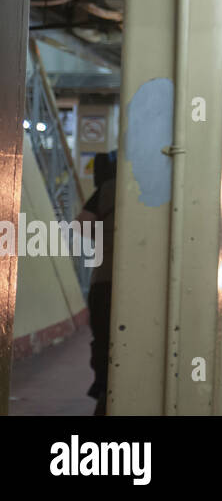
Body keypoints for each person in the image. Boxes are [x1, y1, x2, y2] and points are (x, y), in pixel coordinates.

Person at [76, 151, 117, 415]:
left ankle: (105, 393)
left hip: (104, 282)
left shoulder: (107, 188)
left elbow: (82, 223)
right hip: (141, 287)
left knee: (104, 343)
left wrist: (104, 239)